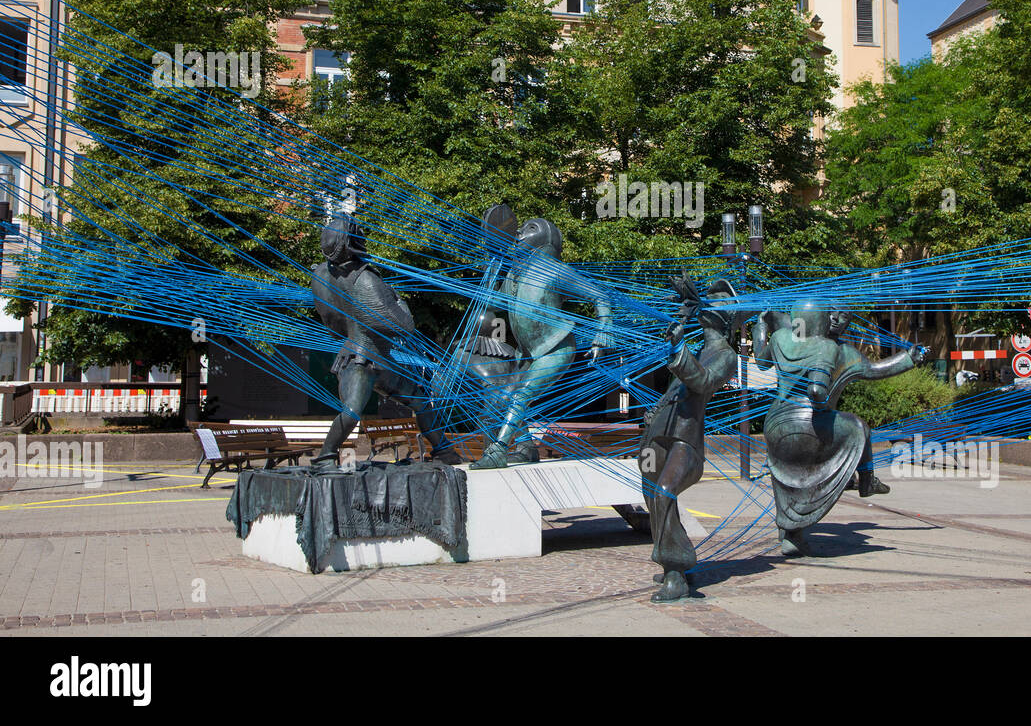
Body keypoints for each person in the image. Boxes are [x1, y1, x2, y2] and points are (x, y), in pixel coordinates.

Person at [753, 301, 925, 556]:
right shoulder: (830, 349)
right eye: (831, 315)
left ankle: (791, 535)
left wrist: (760, 328)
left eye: (844, 317)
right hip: (811, 424)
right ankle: (865, 480)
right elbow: (864, 374)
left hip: (776, 424)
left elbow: (761, 361)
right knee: (857, 427)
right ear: (822, 319)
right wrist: (910, 358)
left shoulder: (780, 338)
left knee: (786, 474)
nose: (836, 320)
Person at [310, 213, 457, 468]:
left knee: (419, 401)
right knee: (353, 409)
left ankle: (444, 451)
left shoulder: (321, 276)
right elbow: (403, 325)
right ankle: (325, 456)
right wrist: (397, 299)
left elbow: (331, 320)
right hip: (366, 359)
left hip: (361, 356)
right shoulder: (366, 280)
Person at [470, 212, 615, 469]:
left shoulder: (556, 271)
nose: (520, 232)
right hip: (527, 352)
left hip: (556, 348)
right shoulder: (514, 276)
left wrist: (603, 331)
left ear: (547, 240)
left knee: (520, 396)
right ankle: (526, 448)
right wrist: (493, 268)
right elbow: (494, 304)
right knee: (505, 397)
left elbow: (599, 295)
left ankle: (499, 450)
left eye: (530, 228)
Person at [639, 275, 742, 602]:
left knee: (665, 492)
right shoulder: (698, 347)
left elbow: (702, 382)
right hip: (660, 433)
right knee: (651, 495)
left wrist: (679, 348)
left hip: (686, 442)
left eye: (721, 302)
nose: (712, 303)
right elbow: (676, 389)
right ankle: (672, 564)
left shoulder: (726, 355)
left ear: (728, 321)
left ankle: (676, 572)